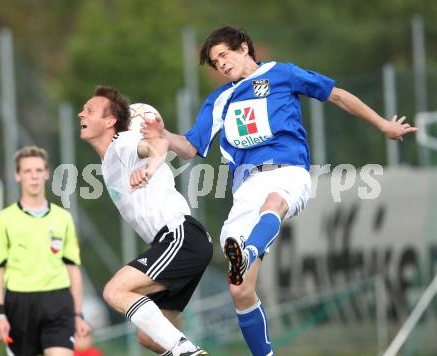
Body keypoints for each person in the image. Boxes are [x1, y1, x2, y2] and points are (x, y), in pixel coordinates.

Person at [140, 26, 418, 356]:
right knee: (239, 290)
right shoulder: (219, 101)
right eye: (215, 62)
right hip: (246, 187)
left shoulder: (282, 74)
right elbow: (188, 147)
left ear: (244, 48)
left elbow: (338, 95)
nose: (222, 65)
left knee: (274, 202)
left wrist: (383, 124)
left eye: (225, 55)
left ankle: (248, 251)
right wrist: (162, 134)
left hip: (288, 170)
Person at [78, 85, 212, 356]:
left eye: (90, 110)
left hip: (179, 236)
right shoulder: (109, 161)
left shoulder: (121, 144)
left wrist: (150, 166)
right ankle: (185, 349)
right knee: (149, 337)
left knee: (115, 291)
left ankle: (187, 351)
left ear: (110, 121)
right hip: (181, 243)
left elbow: (157, 144)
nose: (81, 113)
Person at [0, 145, 92, 355]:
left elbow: (73, 269)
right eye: (27, 171)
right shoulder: (4, 219)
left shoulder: (63, 217)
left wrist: (78, 314)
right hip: (19, 304)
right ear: (17, 175)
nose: (34, 176)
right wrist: (0, 314)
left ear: (47, 174)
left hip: (57, 301)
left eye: (39, 170)